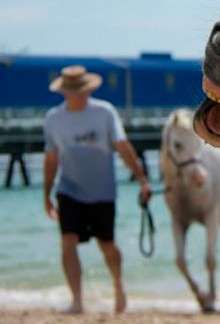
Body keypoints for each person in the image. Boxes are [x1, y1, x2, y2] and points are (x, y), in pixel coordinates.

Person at [43, 65, 152, 314]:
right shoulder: (53, 119)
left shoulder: (104, 112)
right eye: (76, 92)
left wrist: (142, 179)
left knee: (107, 246)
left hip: (103, 192)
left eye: (84, 91)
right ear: (65, 93)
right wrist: (46, 195)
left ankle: (118, 286)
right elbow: (51, 159)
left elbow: (123, 147)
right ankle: (77, 300)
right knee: (67, 242)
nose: (81, 96)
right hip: (69, 189)